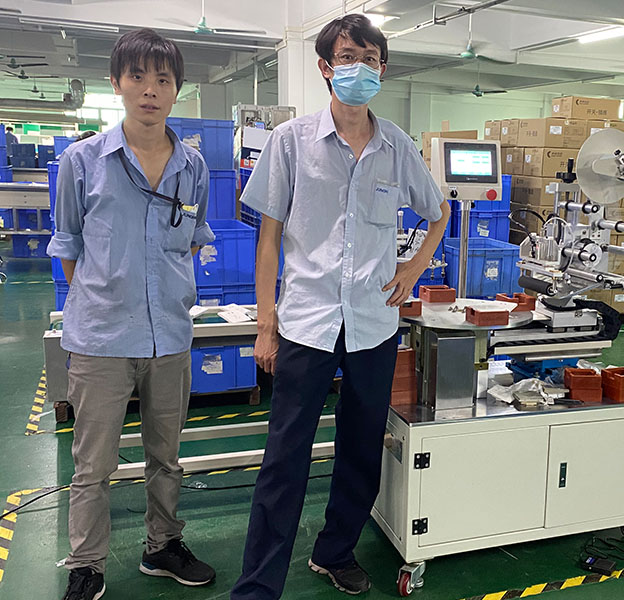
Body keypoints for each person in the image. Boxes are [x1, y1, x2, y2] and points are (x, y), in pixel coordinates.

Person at [230, 14, 450, 600]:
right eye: (348, 57)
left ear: (383, 69)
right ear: (326, 67)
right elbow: (269, 240)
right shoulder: (290, 142)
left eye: (370, 59)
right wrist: (266, 324)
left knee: (360, 447)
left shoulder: (396, 146)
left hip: (373, 324)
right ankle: (258, 585)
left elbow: (438, 214)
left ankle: (335, 551)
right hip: (307, 323)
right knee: (285, 458)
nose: (359, 68)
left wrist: (412, 270)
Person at [48, 28, 216, 600]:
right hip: (100, 341)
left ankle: (162, 545)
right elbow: (69, 245)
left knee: (166, 457)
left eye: (163, 79)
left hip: (169, 336)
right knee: (92, 466)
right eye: (138, 76)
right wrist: (102, 302)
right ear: (117, 83)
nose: (150, 90)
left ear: (177, 89)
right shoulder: (82, 161)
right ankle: (86, 565)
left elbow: (191, 238)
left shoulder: (192, 167)